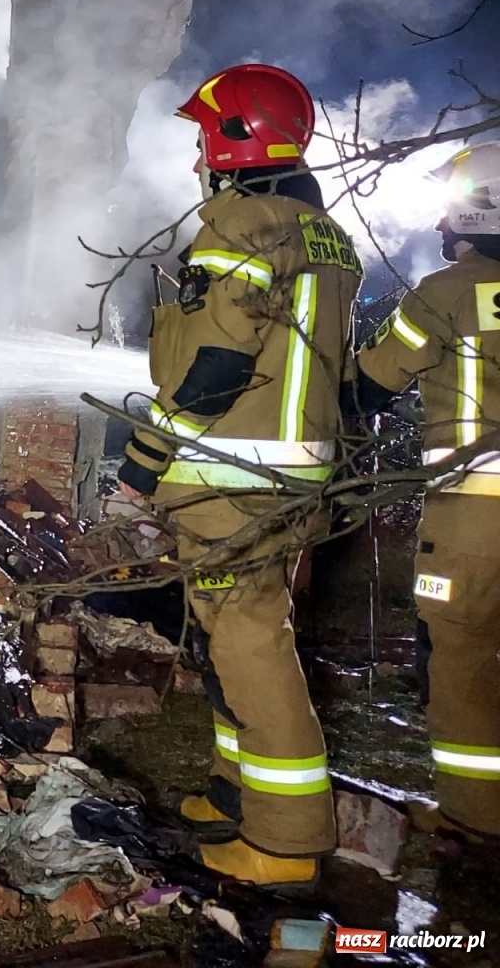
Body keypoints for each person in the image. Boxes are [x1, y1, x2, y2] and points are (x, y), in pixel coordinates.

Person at [116, 63, 363, 887]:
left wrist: (141, 464)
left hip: (233, 474)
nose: (197, 161)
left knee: (253, 646)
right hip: (292, 476)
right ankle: (236, 791)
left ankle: (286, 843)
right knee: (228, 635)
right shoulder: (322, 234)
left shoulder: (240, 225)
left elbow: (215, 366)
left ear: (235, 141)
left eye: (203, 141)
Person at [347, 141, 500, 842]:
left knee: (461, 657)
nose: (440, 222)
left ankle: (476, 817)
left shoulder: (444, 293)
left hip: (475, 517)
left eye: (449, 207)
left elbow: (374, 380)